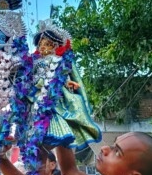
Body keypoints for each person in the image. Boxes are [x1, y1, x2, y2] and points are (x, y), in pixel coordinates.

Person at [29, 19, 101, 149]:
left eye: (47, 44)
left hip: (56, 97)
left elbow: (63, 77)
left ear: (55, 46)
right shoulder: (35, 62)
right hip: (37, 94)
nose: (43, 47)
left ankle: (54, 135)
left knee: (56, 117)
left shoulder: (58, 60)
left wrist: (69, 83)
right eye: (41, 45)